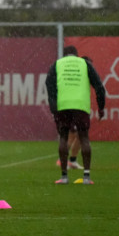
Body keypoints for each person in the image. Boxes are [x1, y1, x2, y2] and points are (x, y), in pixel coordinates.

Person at [45, 46, 105, 185]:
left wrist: (53, 107)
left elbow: (49, 85)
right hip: (80, 104)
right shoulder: (84, 64)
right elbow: (99, 86)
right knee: (84, 137)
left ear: (64, 55)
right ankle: (86, 177)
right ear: (76, 55)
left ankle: (64, 177)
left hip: (63, 105)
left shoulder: (57, 64)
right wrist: (101, 107)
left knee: (63, 137)